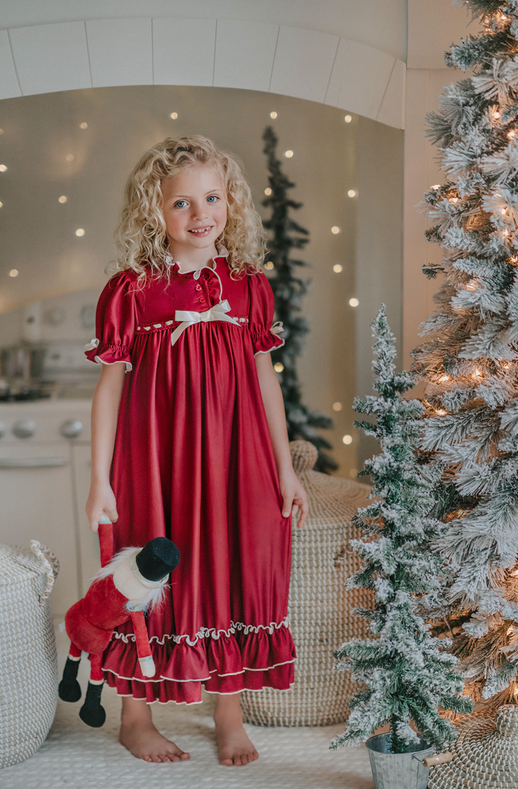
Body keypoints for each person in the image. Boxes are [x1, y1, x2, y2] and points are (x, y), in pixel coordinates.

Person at [84, 135, 309, 767]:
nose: (200, 213)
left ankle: (228, 710)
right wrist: (100, 480)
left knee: (235, 561)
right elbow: (109, 390)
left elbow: (265, 376)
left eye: (212, 197)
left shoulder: (246, 287)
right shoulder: (132, 291)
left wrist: (284, 467)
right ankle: (136, 715)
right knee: (150, 573)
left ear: (231, 202)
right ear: (153, 212)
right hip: (156, 457)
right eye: (181, 203)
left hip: (238, 455)